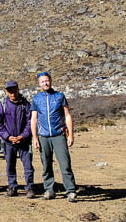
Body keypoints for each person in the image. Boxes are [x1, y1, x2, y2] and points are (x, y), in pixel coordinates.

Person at [30, 72, 77, 202]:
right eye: (42, 81)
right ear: (39, 84)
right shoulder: (36, 99)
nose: (45, 83)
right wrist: (34, 138)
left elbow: (67, 115)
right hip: (43, 136)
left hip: (58, 135)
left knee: (65, 164)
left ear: (51, 81)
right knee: (46, 165)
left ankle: (71, 191)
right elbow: (34, 119)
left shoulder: (59, 96)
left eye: (47, 80)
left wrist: (71, 135)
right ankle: (49, 190)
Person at [0, 80, 35, 198]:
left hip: (24, 141)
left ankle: (30, 188)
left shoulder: (25, 104)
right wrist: (8, 137)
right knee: (10, 165)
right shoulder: (2, 104)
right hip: (9, 142)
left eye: (14, 90)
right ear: (6, 91)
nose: (13, 93)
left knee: (28, 165)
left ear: (18, 89)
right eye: (10, 91)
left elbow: (30, 122)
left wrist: (23, 135)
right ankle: (12, 187)